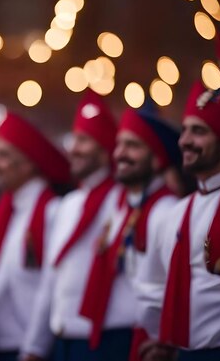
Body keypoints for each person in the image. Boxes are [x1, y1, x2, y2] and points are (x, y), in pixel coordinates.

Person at [140, 46, 220, 361]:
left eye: (198, 132)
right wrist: (162, 338)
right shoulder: (176, 213)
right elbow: (153, 285)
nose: (184, 141)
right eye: (184, 131)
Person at [22, 90, 124, 361]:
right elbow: (51, 278)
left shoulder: (123, 201)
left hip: (109, 340)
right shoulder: (68, 204)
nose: (74, 148)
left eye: (84, 140)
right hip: (63, 339)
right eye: (74, 138)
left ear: (105, 152)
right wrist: (34, 346)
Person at [77, 108, 180, 361]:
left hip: (139, 340)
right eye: (119, 144)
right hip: (106, 335)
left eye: (133, 146)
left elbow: (171, 289)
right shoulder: (123, 205)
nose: (120, 153)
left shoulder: (165, 211)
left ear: (157, 159)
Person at [0, 112, 70, 361]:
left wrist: (34, 348)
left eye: (3, 155)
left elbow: (50, 285)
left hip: (28, 348)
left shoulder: (50, 212)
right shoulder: (7, 211)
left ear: (28, 164)